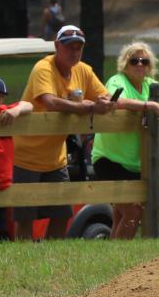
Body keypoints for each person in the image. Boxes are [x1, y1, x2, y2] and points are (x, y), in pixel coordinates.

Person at [12, 25, 116, 240]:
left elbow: (105, 96)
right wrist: (88, 107)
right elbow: (50, 102)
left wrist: (106, 102)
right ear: (57, 46)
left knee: (62, 214)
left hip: (56, 158)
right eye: (69, 47)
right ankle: (25, 254)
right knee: (25, 217)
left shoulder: (83, 70)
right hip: (25, 156)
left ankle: (51, 253)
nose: (74, 52)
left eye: (79, 47)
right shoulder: (43, 68)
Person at [91, 42, 159, 239]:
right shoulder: (117, 80)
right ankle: (119, 255)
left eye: (144, 61)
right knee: (133, 213)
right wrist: (151, 105)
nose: (140, 64)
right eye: (134, 61)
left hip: (135, 165)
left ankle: (112, 253)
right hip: (109, 160)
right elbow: (116, 101)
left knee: (121, 215)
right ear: (125, 64)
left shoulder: (151, 85)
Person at [0, 77, 33, 241]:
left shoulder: (4, 111)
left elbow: (28, 105)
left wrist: (16, 111)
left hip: (4, 185)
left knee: (3, 233)